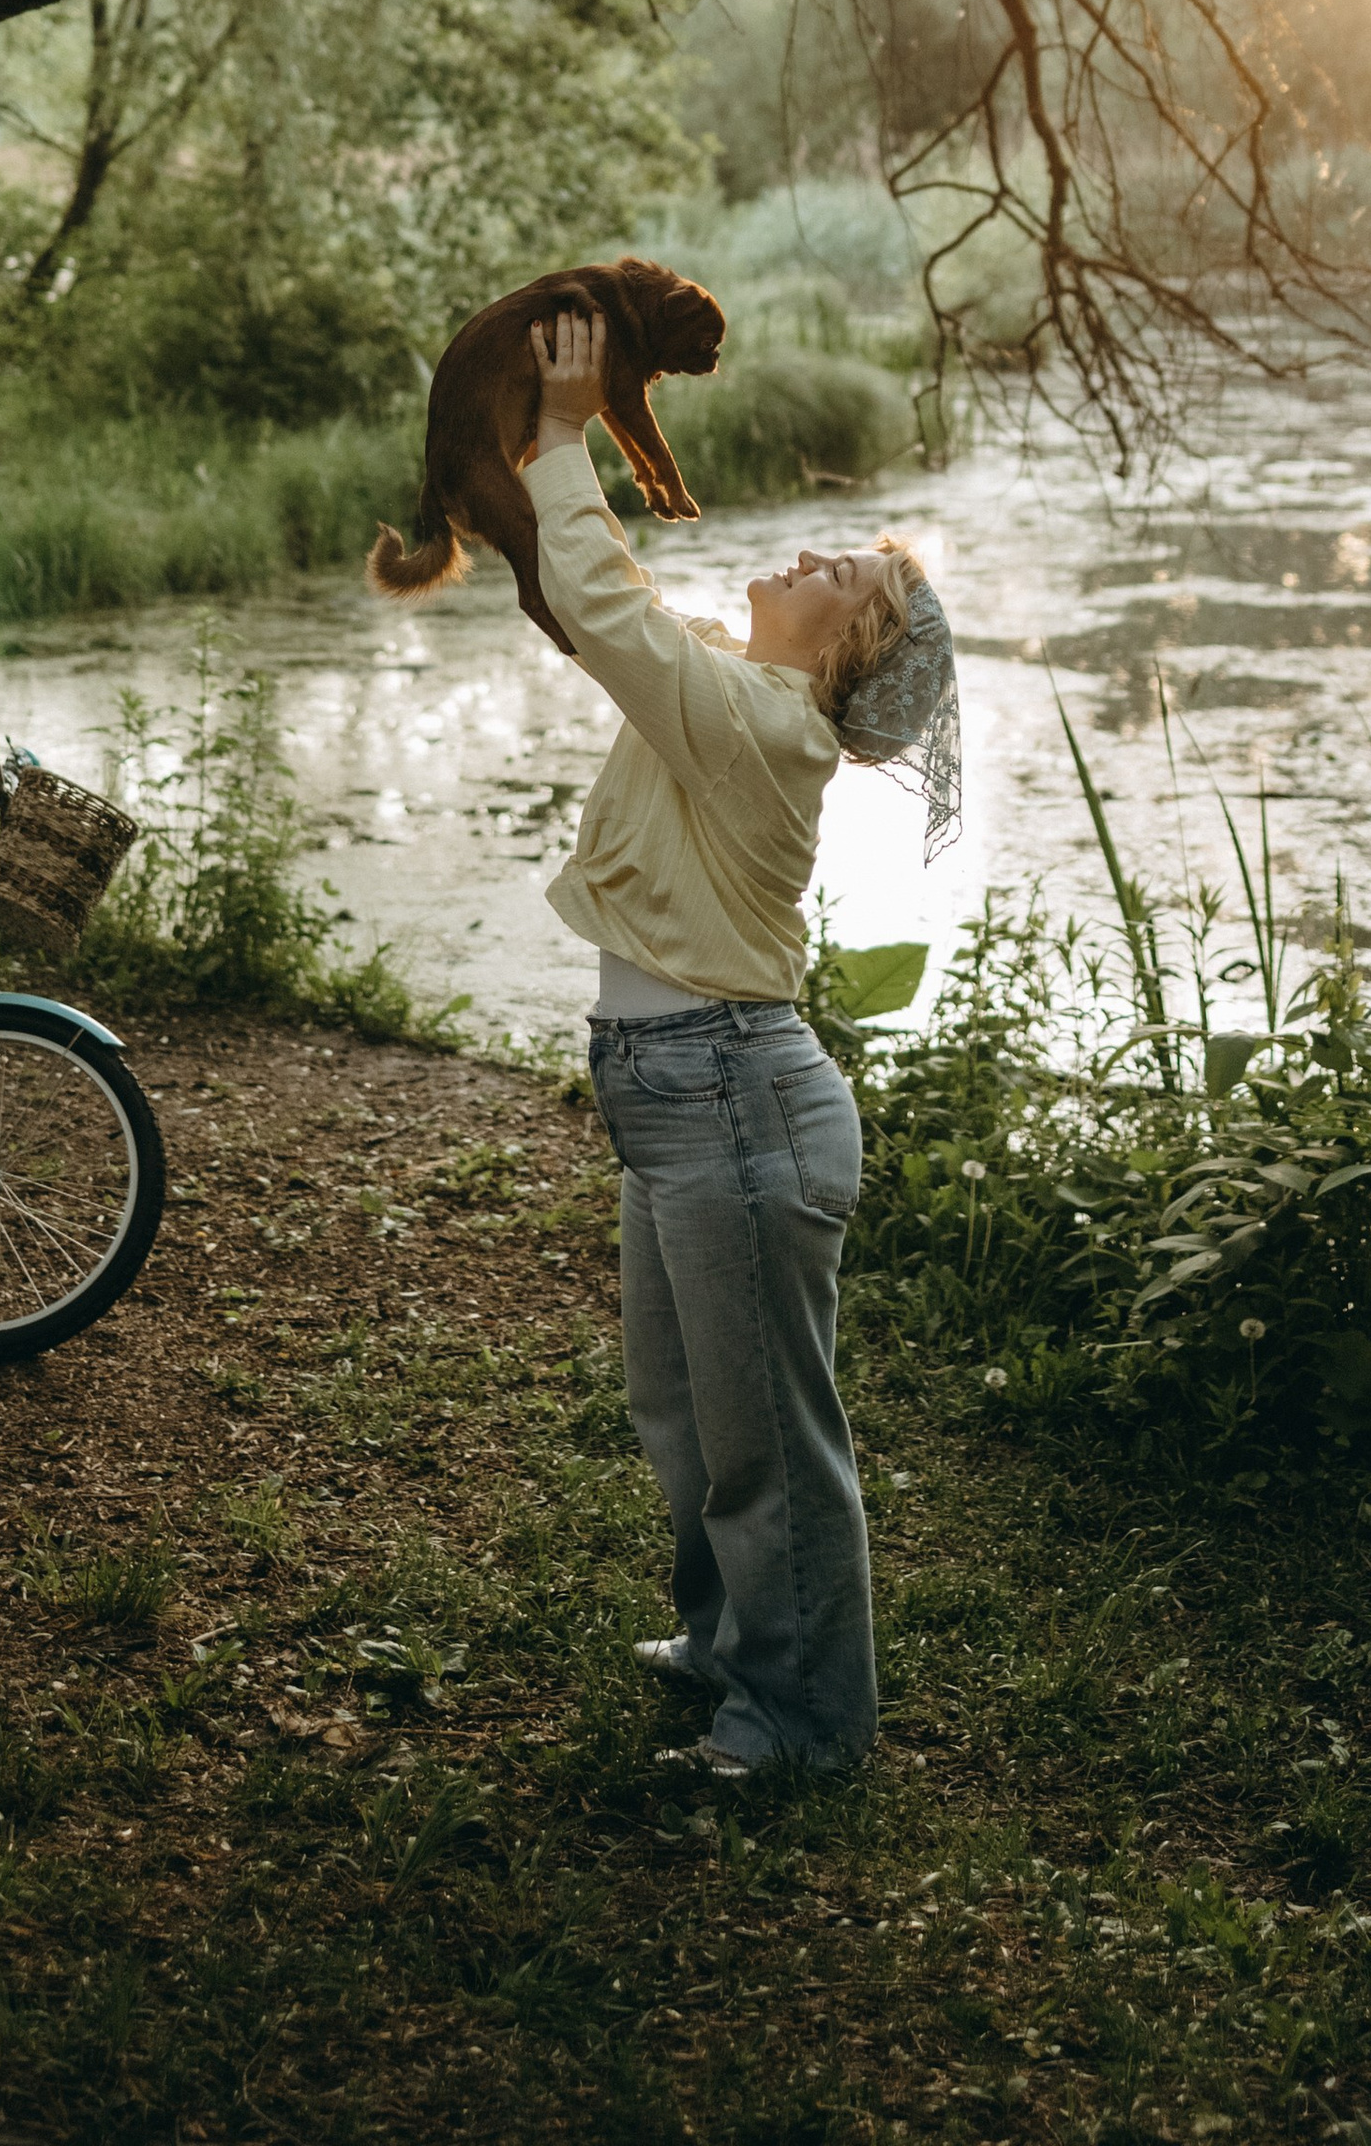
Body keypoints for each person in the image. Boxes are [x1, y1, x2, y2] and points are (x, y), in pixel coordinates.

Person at [522, 305, 960, 1777]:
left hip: (731, 1096)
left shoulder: (771, 727)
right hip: (677, 1094)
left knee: (769, 1431)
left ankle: (801, 1719)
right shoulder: (723, 682)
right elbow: (596, 607)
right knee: (684, 1404)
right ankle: (725, 1641)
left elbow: (606, 607)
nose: (812, 554)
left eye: (845, 573)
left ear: (852, 642)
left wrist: (567, 426)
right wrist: (516, 466)